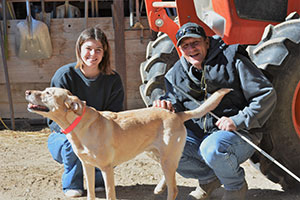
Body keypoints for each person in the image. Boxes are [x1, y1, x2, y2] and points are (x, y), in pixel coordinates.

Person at [153, 22, 276, 200]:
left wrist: (238, 119)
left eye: (195, 43)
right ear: (180, 49)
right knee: (164, 145)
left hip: (238, 134)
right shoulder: (175, 74)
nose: (191, 49)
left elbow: (265, 94)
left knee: (212, 149)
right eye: (185, 46)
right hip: (199, 137)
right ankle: (208, 180)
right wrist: (165, 104)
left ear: (207, 42)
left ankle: (235, 186)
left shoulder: (232, 59)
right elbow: (173, 102)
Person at [47, 26, 124, 198]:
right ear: (79, 49)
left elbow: (115, 114)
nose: (93, 54)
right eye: (88, 49)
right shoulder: (64, 75)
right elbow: (53, 116)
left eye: (98, 50)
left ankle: (98, 180)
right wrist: (78, 132)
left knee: (111, 141)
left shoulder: (113, 79)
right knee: (73, 141)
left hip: (100, 134)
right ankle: (72, 183)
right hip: (65, 134)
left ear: (104, 53)